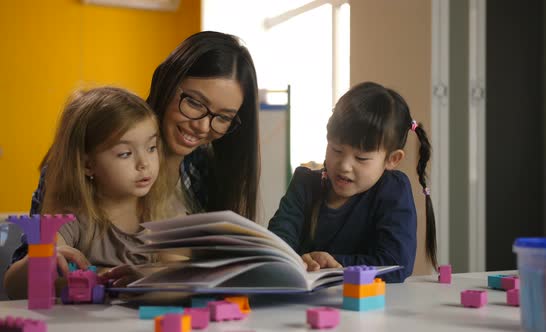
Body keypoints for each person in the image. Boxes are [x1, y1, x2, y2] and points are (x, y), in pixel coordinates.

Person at [8, 31, 261, 285]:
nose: (204, 127)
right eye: (195, 103)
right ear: (168, 82)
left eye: (223, 117)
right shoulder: (89, 154)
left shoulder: (201, 176)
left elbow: (185, 276)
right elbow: (32, 274)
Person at [4, 87, 170, 299]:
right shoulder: (71, 217)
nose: (144, 164)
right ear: (87, 165)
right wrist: (40, 260)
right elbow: (15, 289)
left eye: (151, 147)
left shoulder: (161, 212)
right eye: (125, 153)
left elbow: (183, 277)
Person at [268, 82, 437, 283]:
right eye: (336, 150)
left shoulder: (392, 190)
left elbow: (396, 264)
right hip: (301, 307)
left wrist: (329, 264)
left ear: (392, 159)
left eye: (361, 158)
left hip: (373, 308)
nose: (344, 165)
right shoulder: (304, 184)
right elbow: (275, 248)